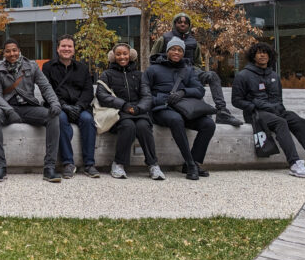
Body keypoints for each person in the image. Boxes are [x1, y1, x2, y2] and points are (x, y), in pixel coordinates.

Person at [231, 41, 305, 178]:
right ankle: (295, 164)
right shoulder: (243, 75)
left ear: (270, 56)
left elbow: (278, 98)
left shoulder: (274, 75)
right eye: (259, 53)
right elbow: (236, 101)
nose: (262, 55)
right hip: (255, 114)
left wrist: (279, 108)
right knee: (280, 122)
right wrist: (253, 106)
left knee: (300, 122)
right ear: (253, 56)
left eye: (265, 52)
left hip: (276, 111)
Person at [0, 38, 62, 183]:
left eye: (14, 50)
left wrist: (55, 103)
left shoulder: (32, 66)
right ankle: (0, 167)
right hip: (7, 108)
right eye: (8, 51)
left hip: (29, 107)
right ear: (4, 53)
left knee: (53, 116)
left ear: (19, 51)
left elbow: (45, 87)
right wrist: (9, 110)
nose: (12, 54)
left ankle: (49, 167)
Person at [151, 12, 242, 127]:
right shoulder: (164, 39)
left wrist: (192, 72)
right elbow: (153, 58)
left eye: (185, 22)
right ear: (174, 24)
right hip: (170, 73)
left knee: (212, 75)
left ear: (189, 25)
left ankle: (222, 111)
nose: (183, 24)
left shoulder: (193, 42)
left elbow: (198, 62)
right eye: (180, 22)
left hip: (190, 71)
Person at [145, 37, 216, 180]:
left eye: (179, 50)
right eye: (173, 49)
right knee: (176, 119)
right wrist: (163, 99)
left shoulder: (188, 70)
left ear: (183, 53)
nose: (176, 52)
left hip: (184, 109)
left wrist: (183, 92)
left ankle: (194, 161)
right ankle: (190, 165)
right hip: (161, 110)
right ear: (167, 51)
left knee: (208, 124)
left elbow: (199, 90)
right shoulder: (153, 69)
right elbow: (144, 93)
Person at [96, 43, 165, 180]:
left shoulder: (140, 75)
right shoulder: (107, 74)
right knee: (128, 126)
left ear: (131, 55)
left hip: (138, 112)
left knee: (143, 126)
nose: (122, 57)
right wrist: (124, 106)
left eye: (125, 54)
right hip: (117, 113)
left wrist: (139, 108)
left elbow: (147, 96)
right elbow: (102, 95)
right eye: (119, 54)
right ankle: (118, 164)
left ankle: (153, 165)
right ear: (113, 57)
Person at [42, 34, 98, 178]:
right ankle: (68, 163)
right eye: (63, 46)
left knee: (88, 120)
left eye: (69, 46)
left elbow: (88, 91)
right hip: (59, 107)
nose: (66, 49)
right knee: (59, 119)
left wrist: (79, 107)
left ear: (74, 50)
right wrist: (64, 106)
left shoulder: (83, 68)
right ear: (57, 49)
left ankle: (89, 164)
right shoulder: (48, 67)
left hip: (80, 107)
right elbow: (47, 90)